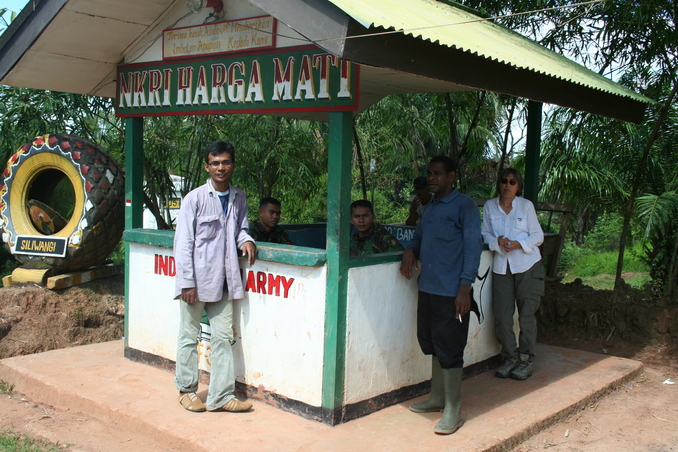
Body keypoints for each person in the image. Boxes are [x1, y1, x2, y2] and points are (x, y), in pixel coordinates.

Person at [399, 156, 481, 435]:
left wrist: (465, 289)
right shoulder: (430, 207)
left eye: (437, 174)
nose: (431, 178)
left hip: (452, 293)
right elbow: (419, 239)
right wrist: (410, 251)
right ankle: (437, 398)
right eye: (429, 173)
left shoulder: (465, 206)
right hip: (428, 288)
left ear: (451, 176)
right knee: (432, 342)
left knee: (450, 347)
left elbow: (473, 249)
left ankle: (453, 409)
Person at [173, 140, 256, 413]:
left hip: (225, 280)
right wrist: (186, 282)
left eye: (226, 162)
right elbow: (183, 243)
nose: (221, 167)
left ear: (233, 164)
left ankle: (220, 396)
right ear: (207, 167)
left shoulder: (239, 197)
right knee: (189, 336)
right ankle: (186, 390)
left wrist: (246, 240)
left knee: (223, 338)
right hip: (196, 281)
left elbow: (241, 228)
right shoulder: (194, 199)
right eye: (215, 163)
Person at [481, 168, 544, 380]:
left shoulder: (525, 206)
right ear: (499, 183)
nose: (508, 185)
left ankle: (525, 359)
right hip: (502, 266)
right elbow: (485, 233)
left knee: (526, 314)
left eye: (513, 182)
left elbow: (538, 236)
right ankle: (509, 356)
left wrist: (519, 244)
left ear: (518, 186)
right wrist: (496, 242)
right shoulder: (490, 206)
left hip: (527, 265)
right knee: (502, 315)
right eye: (504, 181)